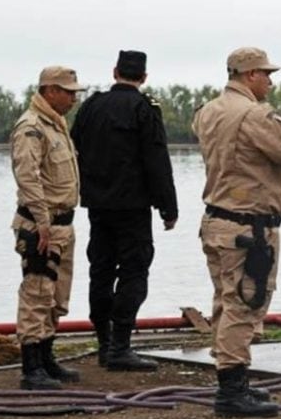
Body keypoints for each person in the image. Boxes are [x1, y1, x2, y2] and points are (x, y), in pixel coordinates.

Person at [193, 47, 281, 418]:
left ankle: (233, 379)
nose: (270, 81)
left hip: (218, 222)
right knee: (245, 304)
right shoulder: (252, 115)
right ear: (249, 76)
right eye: (265, 74)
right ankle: (231, 392)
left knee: (226, 301)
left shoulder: (208, 111)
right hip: (248, 228)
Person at [71, 50, 178, 372]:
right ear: (143, 78)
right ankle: (120, 346)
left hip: (97, 205)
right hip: (133, 207)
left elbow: (73, 147)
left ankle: (105, 344)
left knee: (100, 271)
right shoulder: (144, 108)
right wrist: (168, 208)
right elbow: (157, 160)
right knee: (134, 271)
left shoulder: (91, 105)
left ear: (114, 71)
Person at [10, 66, 88, 390]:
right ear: (50, 91)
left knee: (55, 296)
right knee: (37, 292)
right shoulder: (31, 127)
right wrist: (41, 221)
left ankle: (46, 357)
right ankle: (31, 368)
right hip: (42, 225)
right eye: (69, 92)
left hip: (62, 226)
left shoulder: (57, 125)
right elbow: (28, 177)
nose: (73, 98)